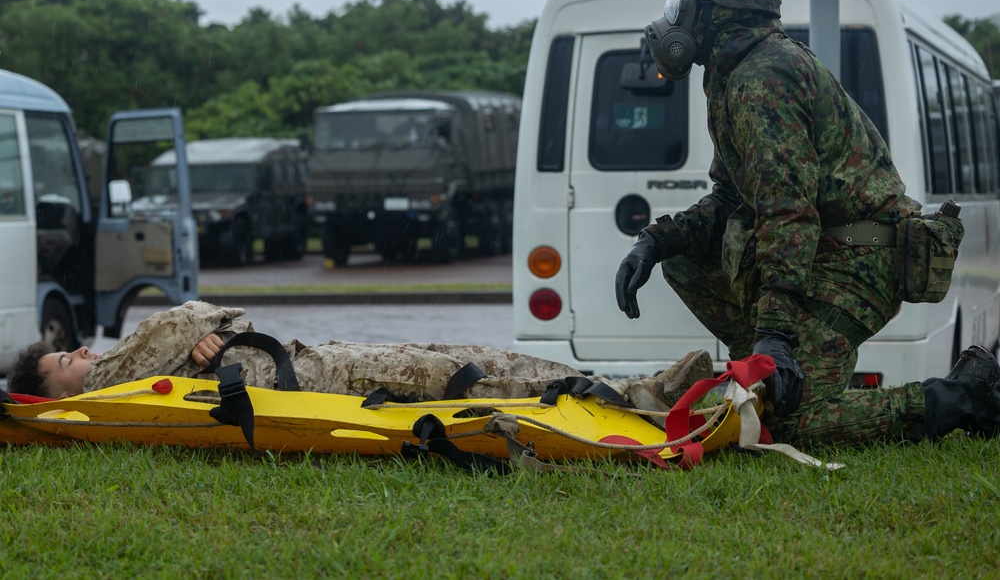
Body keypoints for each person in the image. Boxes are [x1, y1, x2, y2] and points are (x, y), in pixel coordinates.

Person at [614, 0, 1000, 445]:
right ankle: (771, 375)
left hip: (862, 253)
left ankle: (962, 397)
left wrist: (777, 333)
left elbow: (787, 212)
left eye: (682, 4)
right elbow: (731, 198)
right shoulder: (731, 76)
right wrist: (656, 240)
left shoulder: (763, 76)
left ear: (721, 7)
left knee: (788, 423)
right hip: (827, 248)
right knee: (683, 258)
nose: (673, 20)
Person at [8, 301, 713, 417]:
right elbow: (196, 313)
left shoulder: (114, 373)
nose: (82, 353)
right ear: (54, 397)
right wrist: (217, 325)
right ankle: (637, 395)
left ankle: (631, 387)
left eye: (71, 349)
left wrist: (219, 329)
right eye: (65, 361)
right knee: (463, 372)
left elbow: (204, 316)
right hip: (319, 376)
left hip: (310, 361)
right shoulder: (106, 385)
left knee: (463, 357)